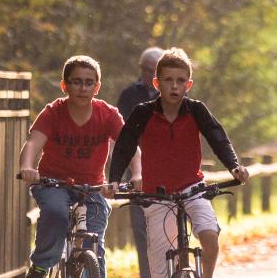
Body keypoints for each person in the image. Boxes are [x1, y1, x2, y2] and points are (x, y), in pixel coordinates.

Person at [107, 48, 250, 278]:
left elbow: (217, 137)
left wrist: (234, 166)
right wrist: (114, 180)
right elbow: (124, 146)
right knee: (159, 270)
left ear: (188, 85)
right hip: (157, 195)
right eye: (168, 80)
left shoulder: (197, 110)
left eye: (180, 81)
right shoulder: (143, 113)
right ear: (157, 83)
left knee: (210, 238)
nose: (174, 86)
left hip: (193, 189)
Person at [19, 56, 129, 278]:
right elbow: (32, 143)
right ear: (65, 85)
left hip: (91, 187)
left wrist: (137, 174)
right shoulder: (53, 112)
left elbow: (129, 148)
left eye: (89, 82)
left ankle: (90, 269)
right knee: (56, 213)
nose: (83, 87)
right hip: (53, 183)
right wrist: (27, 167)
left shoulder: (107, 114)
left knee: (94, 239)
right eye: (76, 81)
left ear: (97, 87)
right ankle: (41, 266)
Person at [116, 47, 165, 276]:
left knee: (167, 225)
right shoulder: (129, 96)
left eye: (152, 70)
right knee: (141, 228)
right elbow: (121, 133)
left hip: (166, 170)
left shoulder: (172, 94)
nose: (147, 74)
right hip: (137, 171)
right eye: (144, 69)